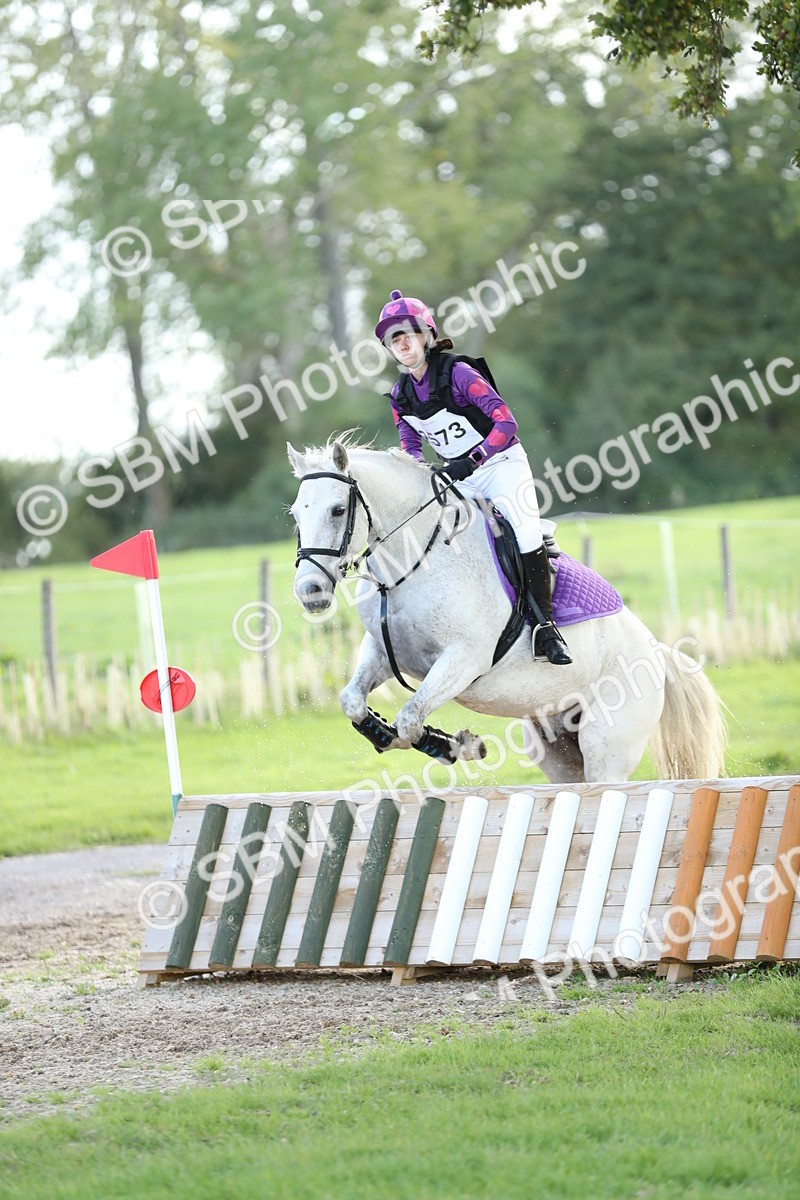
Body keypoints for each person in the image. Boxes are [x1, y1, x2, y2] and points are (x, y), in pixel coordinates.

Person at [374, 289, 572, 666]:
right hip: (458, 475)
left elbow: (506, 422)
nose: (401, 344)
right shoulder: (400, 395)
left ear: (426, 336)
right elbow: (410, 443)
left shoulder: (458, 373)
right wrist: (416, 472)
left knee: (524, 532)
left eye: (408, 334)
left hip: (501, 464)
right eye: (393, 339)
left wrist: (474, 458)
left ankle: (545, 627)